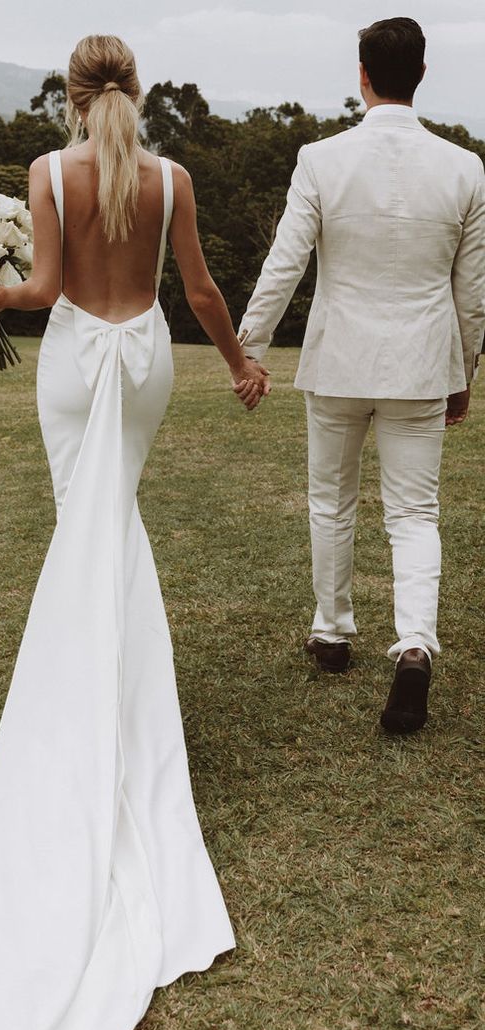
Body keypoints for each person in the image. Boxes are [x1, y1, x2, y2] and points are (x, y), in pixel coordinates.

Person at [0, 34, 268, 1030]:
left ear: (70, 96)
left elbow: (50, 288)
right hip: (147, 357)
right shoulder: (172, 178)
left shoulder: (47, 171)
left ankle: (88, 707)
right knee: (108, 528)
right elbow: (199, 291)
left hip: (74, 361)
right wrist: (245, 362)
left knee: (89, 525)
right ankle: (117, 703)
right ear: (136, 93)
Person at [237, 16, 485, 733]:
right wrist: (465, 368)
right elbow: (472, 291)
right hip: (422, 364)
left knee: (330, 500)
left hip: (339, 359)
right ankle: (412, 647)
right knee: (414, 513)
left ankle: (332, 631)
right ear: (423, 74)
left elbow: (285, 262)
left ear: (362, 74)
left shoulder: (321, 158)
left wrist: (251, 345)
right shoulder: (465, 168)